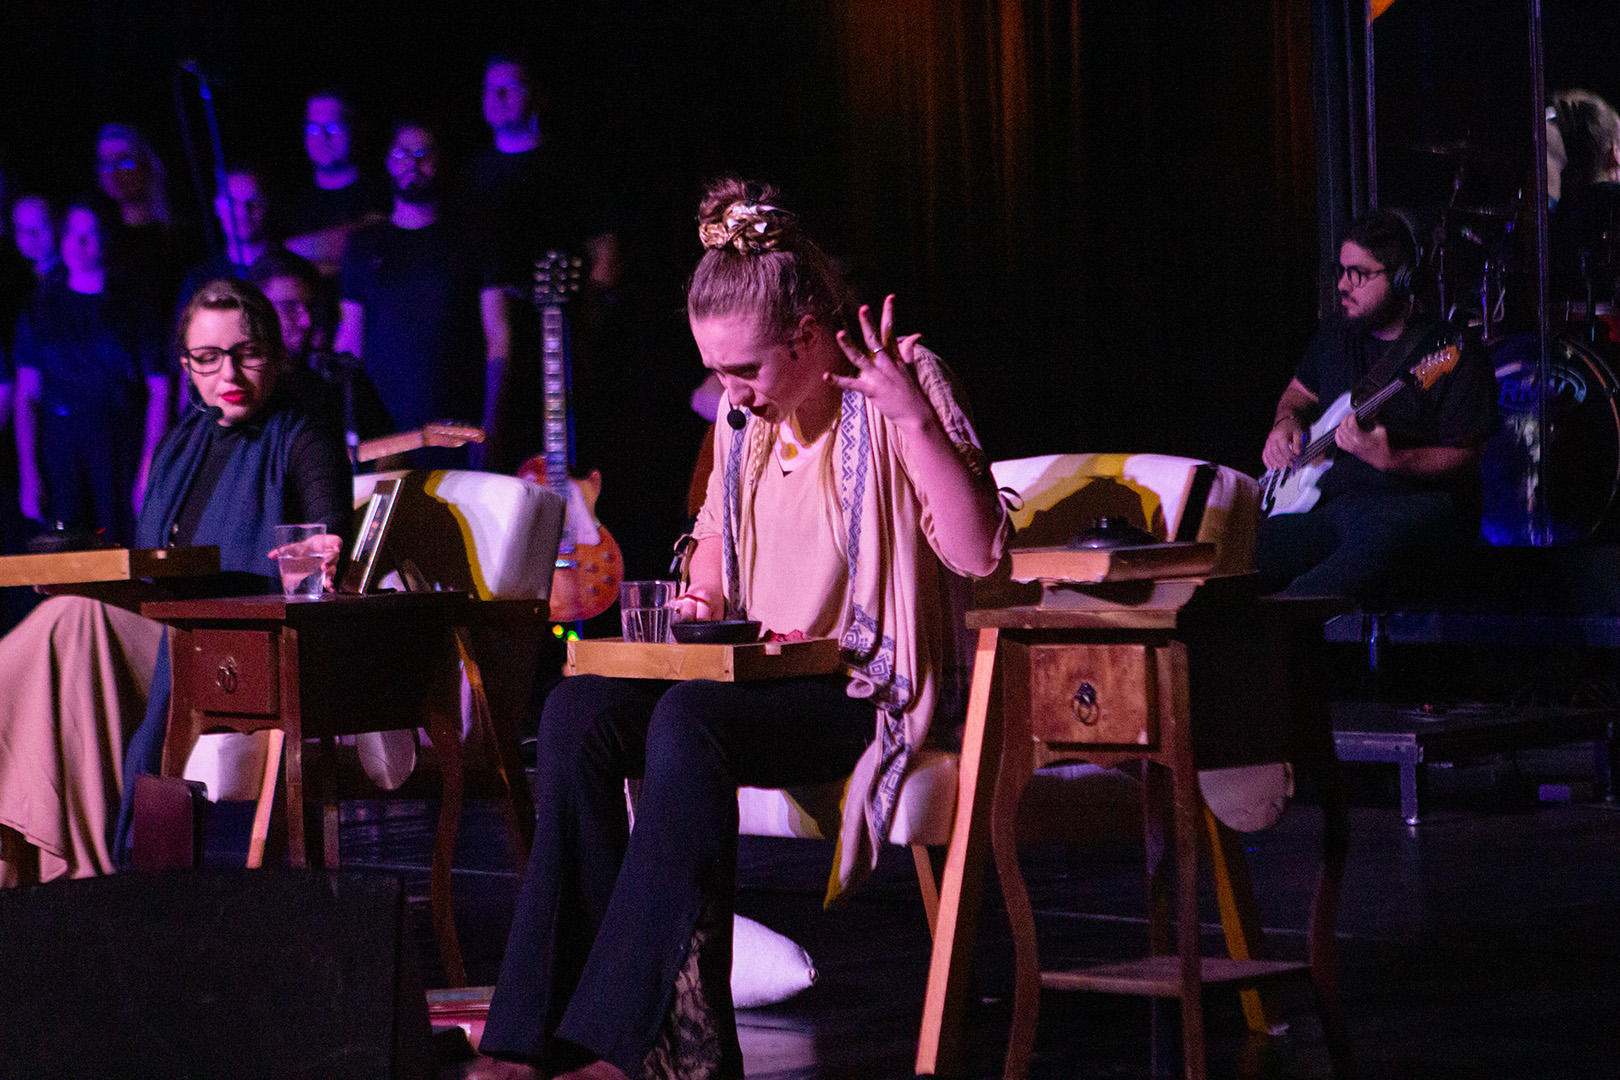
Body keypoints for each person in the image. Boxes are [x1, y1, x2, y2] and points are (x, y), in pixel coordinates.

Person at [469, 180, 1008, 1080]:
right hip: (756, 676)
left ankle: (625, 1042)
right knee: (576, 713)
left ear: (807, 335)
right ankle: (535, 1034)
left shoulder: (901, 380)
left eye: (745, 370)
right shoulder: (739, 418)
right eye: (716, 371)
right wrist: (698, 603)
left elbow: (980, 552)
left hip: (863, 685)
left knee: (690, 723)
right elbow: (716, 545)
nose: (730, 392)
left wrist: (912, 417)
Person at [0, 277, 351, 885]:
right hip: (167, 637)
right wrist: (95, 584)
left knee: (69, 625)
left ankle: (76, 862)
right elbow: (156, 572)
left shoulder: (302, 438)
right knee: (70, 615)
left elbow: (327, 523)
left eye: (247, 352)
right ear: (187, 366)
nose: (228, 372)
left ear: (276, 356)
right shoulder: (181, 446)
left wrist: (323, 545)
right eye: (208, 358)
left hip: (235, 647)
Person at [1256, 210, 1497, 599]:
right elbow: (1297, 394)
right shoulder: (1335, 336)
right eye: (1341, 271)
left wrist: (1392, 459)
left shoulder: (1451, 351)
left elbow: (1467, 458)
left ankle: (1290, 617)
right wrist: (1285, 422)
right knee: (1242, 559)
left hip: (1407, 507)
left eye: (1358, 274)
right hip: (1326, 505)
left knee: (1318, 589)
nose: (1342, 285)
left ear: (1402, 279)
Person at [336, 122, 509, 465]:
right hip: (383, 431)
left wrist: (492, 425)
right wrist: (345, 427)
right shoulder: (363, 244)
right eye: (402, 153)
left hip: (458, 426)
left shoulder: (473, 240)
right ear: (388, 162)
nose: (412, 163)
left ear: (439, 161)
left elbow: (498, 337)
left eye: (423, 153)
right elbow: (349, 340)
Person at [12, 198, 171, 543]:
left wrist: (149, 468)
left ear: (107, 240)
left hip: (119, 444)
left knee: (119, 543)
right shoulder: (41, 305)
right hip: (61, 446)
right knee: (66, 546)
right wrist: (29, 473)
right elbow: (26, 396)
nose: (79, 244)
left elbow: (160, 389)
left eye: (90, 234)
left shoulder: (134, 304)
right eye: (72, 233)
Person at [283, 90, 389, 276]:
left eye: (333, 127)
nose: (323, 137)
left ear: (356, 129)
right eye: (313, 129)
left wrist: (300, 249)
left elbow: (381, 243)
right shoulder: (290, 204)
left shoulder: (385, 192)